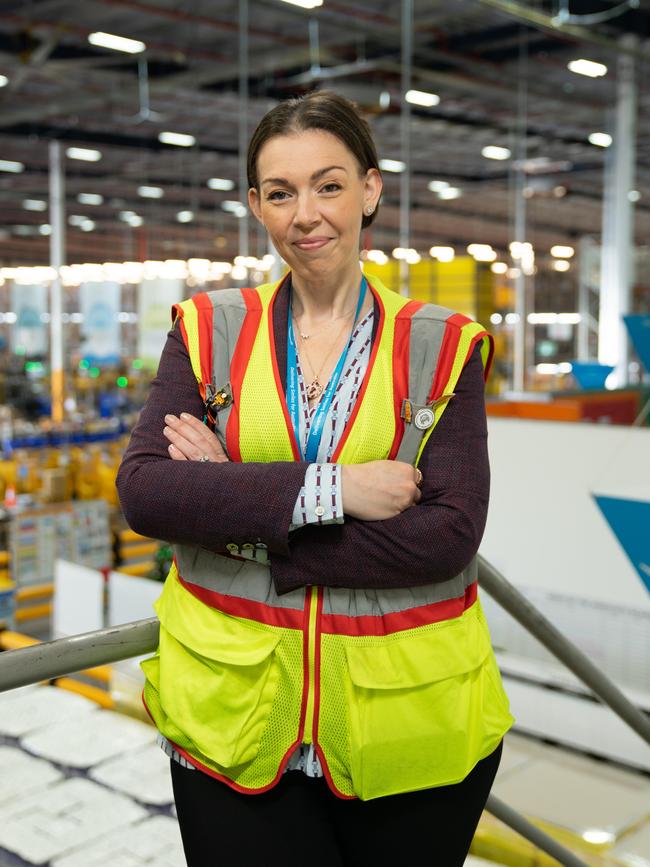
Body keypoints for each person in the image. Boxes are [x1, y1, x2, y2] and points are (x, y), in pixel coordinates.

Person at [117, 90, 513, 867]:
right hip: (232, 726)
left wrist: (238, 511)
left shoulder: (443, 345)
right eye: (281, 192)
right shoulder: (207, 329)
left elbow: (448, 535)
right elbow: (146, 491)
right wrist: (334, 490)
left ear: (370, 189)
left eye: (329, 184)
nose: (307, 214)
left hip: (409, 730)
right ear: (256, 206)